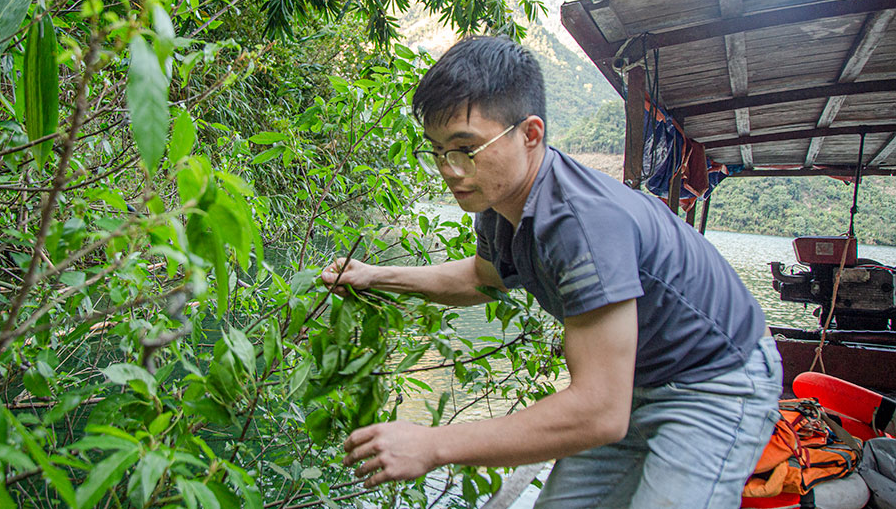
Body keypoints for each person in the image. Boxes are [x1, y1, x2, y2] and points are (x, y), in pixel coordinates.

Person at [320, 35, 782, 507]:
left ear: (530, 134)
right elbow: (480, 278)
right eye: (437, 151)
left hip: (715, 380)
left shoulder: (580, 223)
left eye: (465, 148)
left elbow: (598, 412)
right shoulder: (498, 202)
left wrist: (433, 444)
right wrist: (373, 276)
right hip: (632, 382)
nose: (450, 169)